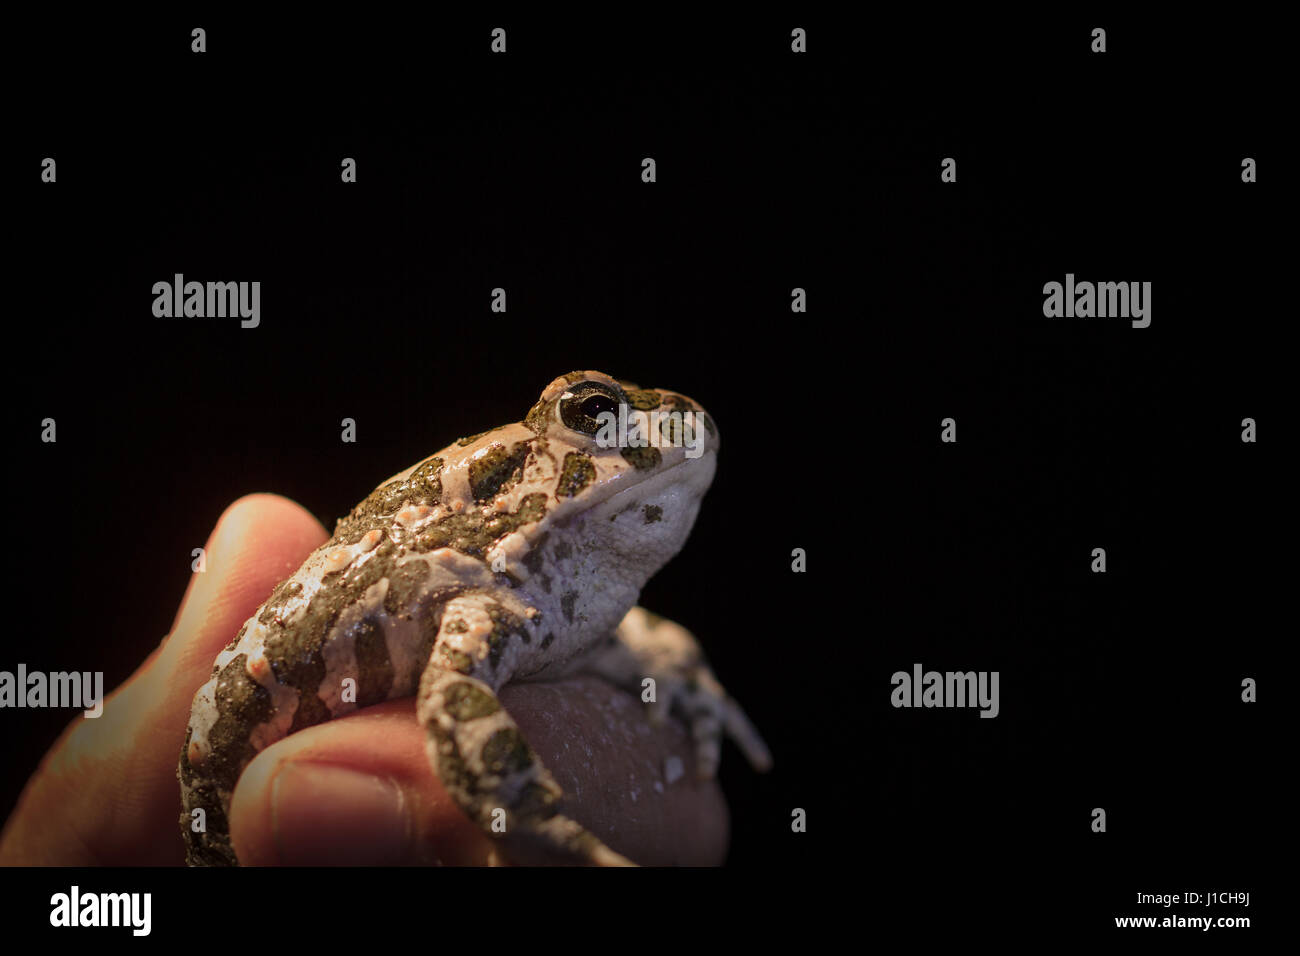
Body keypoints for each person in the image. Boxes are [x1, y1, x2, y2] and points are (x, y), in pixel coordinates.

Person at [0, 494, 728, 866]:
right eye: (597, 420)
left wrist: (676, 671)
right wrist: (541, 826)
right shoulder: (485, 581)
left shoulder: (569, 592)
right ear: (521, 481)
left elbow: (628, 638)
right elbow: (456, 695)